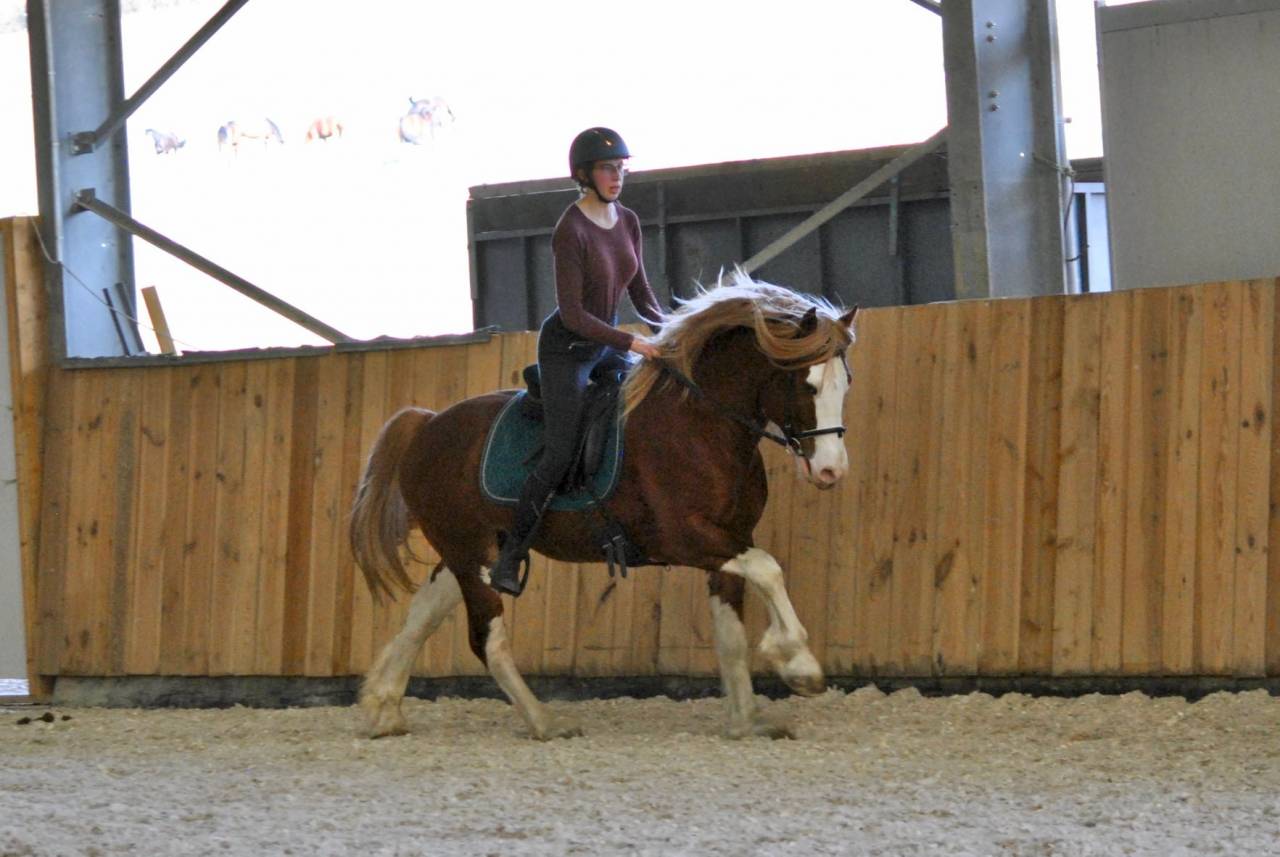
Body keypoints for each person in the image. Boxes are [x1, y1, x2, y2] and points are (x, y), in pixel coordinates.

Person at [489, 127, 664, 596]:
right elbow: (573, 314)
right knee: (562, 449)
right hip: (569, 349)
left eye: (622, 169)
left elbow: (641, 291)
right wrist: (632, 343)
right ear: (584, 175)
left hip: (605, 343)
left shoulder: (627, 220)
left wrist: (670, 329)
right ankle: (511, 553)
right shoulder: (571, 230)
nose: (617, 177)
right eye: (609, 169)